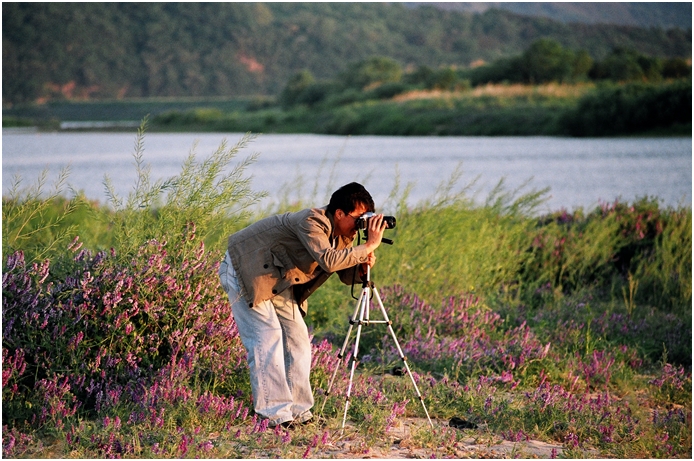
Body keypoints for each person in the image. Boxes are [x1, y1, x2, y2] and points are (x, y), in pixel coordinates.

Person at [218, 182, 387, 428]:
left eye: (366, 219)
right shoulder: (311, 221)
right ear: (339, 213)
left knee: (298, 340)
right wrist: (369, 245)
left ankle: (299, 411)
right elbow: (329, 261)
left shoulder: (342, 235)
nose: (362, 225)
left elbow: (345, 274)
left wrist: (362, 264)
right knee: (268, 338)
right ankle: (275, 415)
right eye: (359, 218)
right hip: (245, 267)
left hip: (278, 276)